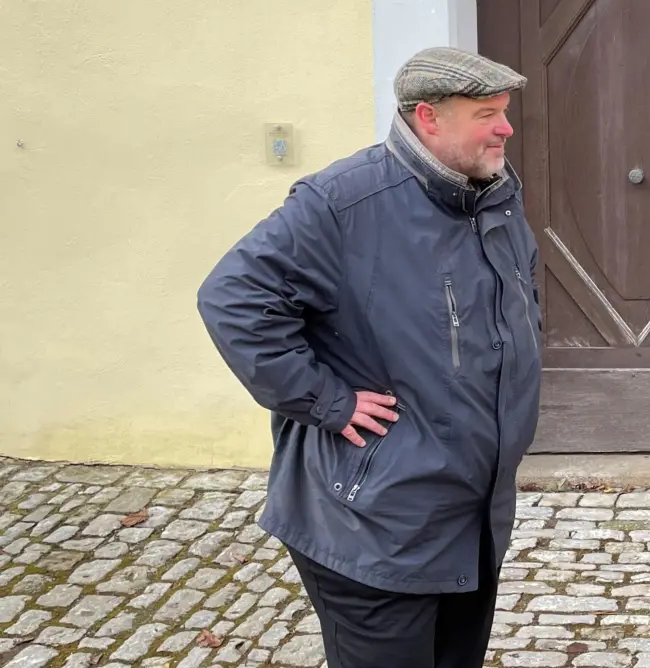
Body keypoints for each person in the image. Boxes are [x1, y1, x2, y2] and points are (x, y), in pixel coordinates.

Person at [197, 46, 544, 668]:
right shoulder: (342, 203)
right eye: (487, 113)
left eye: (506, 111)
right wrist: (326, 400)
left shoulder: (492, 197)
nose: (506, 128)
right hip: (372, 524)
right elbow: (233, 299)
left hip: (470, 517)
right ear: (427, 118)